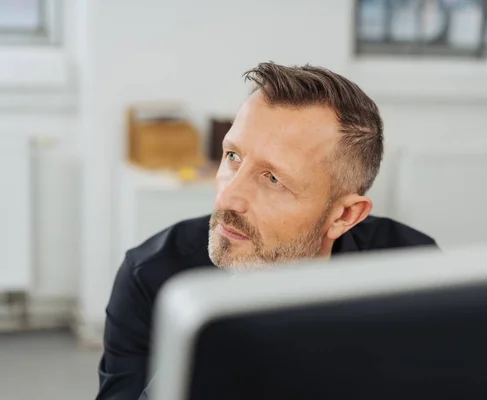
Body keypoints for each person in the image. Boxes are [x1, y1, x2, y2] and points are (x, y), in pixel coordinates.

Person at [96, 61, 437, 399]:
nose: (228, 197)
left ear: (344, 215)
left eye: (273, 179)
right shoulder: (151, 277)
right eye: (233, 157)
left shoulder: (411, 276)